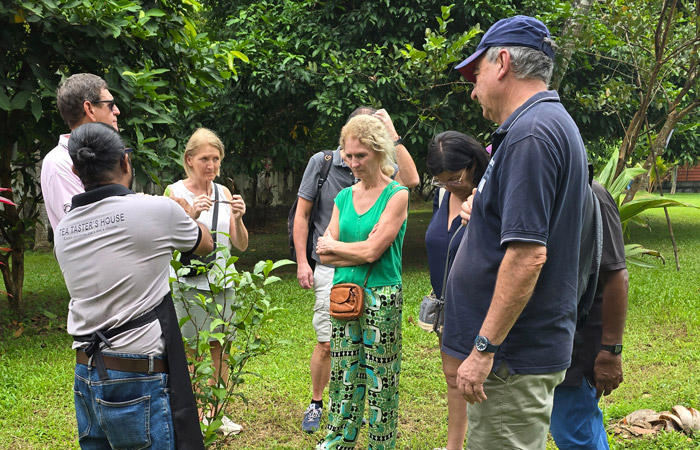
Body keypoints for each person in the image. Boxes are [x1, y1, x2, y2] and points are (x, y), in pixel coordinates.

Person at [444, 15, 589, 450]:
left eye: (477, 73)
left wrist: (484, 348)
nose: (474, 90)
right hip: (516, 355)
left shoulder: (531, 135)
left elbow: (528, 255)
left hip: (510, 358)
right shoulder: (542, 125)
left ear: (503, 62)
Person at [54, 122, 212, 450]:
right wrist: (185, 215)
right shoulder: (156, 209)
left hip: (86, 372)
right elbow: (205, 244)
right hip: (138, 374)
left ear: (76, 170)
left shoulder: (64, 229)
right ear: (125, 161)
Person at [294, 107, 418, 433]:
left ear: (379, 151)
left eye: (360, 155)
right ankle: (338, 438)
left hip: (381, 294)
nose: (353, 162)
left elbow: (373, 251)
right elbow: (326, 251)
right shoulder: (344, 197)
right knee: (343, 374)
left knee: (380, 379)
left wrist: (343, 248)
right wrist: (359, 251)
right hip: (343, 291)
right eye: (348, 156)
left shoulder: (396, 194)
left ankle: (379, 441)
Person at [165, 127, 248, 435]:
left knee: (221, 347)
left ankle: (216, 413)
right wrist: (191, 218)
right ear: (189, 160)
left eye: (215, 158)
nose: (211, 165)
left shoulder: (224, 193)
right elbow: (168, 244)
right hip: (189, 284)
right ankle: (197, 413)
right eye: (204, 159)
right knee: (193, 350)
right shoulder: (174, 193)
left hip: (223, 282)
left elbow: (240, 245)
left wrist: (238, 218)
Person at [550, 180, 629, 449]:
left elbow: (616, 276)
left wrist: (611, 351)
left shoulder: (592, 194)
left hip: (579, 345)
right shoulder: (545, 189)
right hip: (550, 341)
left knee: (573, 429)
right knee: (580, 427)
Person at [424, 131, 490, 450]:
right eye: (441, 181)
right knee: (453, 380)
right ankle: (454, 447)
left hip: (481, 305)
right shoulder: (443, 196)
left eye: (455, 178)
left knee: (483, 382)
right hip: (446, 306)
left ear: (473, 163)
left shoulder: (489, 194)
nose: (449, 186)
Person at [41, 73, 121, 231]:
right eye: (110, 105)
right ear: (89, 109)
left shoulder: (106, 154)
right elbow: (85, 228)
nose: (117, 111)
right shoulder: (59, 163)